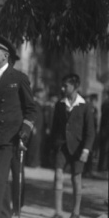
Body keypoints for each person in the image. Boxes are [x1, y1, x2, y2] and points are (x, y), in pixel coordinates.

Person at [0, 35, 37, 218]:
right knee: (0, 181)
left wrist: (25, 132)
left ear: (5, 55)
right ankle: (4, 214)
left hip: (10, 137)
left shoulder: (19, 78)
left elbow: (30, 109)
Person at [50, 74, 95, 218]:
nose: (63, 88)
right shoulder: (60, 104)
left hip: (78, 147)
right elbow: (55, 128)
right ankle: (58, 212)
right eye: (62, 85)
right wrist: (53, 145)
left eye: (66, 86)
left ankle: (75, 212)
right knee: (58, 176)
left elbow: (90, 131)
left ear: (75, 87)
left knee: (76, 178)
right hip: (61, 146)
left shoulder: (85, 106)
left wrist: (86, 150)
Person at [98, 90, 109, 172]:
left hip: (105, 129)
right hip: (106, 130)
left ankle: (103, 167)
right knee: (105, 149)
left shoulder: (105, 102)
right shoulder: (107, 103)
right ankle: (102, 167)